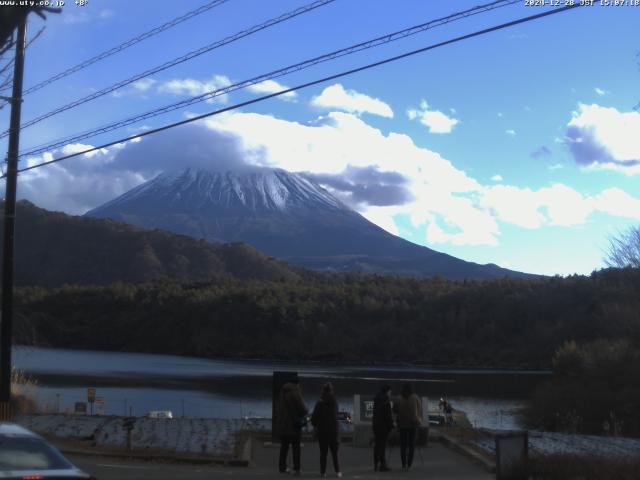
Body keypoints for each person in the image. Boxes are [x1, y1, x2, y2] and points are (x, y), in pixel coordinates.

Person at [276, 381, 308, 475]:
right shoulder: (295, 393)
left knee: (284, 447)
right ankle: (296, 468)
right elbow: (302, 409)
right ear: (296, 384)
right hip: (293, 426)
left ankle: (282, 467)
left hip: (283, 425)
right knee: (296, 448)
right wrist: (306, 411)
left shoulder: (282, 393)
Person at [311, 382, 342, 478]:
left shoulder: (320, 402)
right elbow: (336, 415)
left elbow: (314, 418)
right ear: (332, 391)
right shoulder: (335, 402)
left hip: (322, 431)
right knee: (335, 453)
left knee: (323, 453)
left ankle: (323, 472)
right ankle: (338, 471)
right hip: (333, 431)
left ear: (323, 391)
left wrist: (315, 424)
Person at [394, 382, 422, 471]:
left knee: (403, 445)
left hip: (402, 425)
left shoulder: (398, 398)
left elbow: (394, 410)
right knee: (411, 445)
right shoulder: (416, 397)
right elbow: (419, 409)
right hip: (413, 424)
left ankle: (403, 464)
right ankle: (409, 464)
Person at [372, 384, 394, 472]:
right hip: (383, 426)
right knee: (382, 445)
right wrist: (391, 425)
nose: (391, 393)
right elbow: (388, 416)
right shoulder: (386, 401)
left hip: (376, 425)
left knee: (377, 445)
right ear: (387, 391)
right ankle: (382, 465)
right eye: (390, 391)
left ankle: (375, 464)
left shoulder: (377, 399)